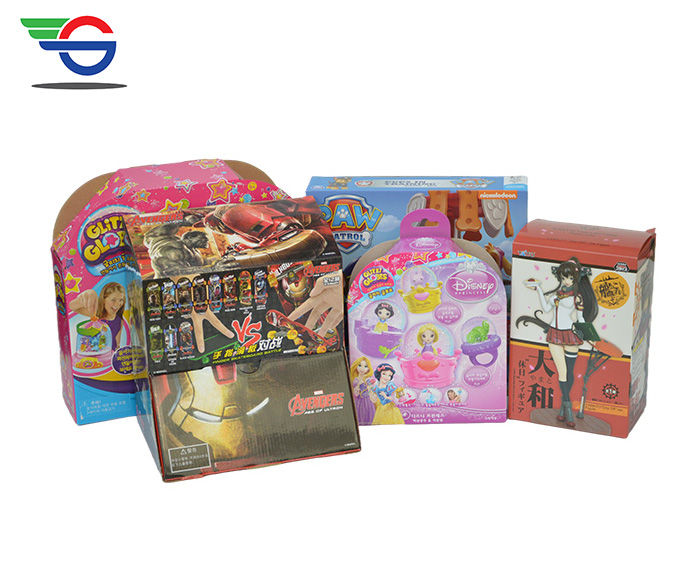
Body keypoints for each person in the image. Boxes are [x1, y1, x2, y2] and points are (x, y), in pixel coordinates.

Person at [516, 257, 598, 428]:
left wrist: (588, 334)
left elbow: (581, 318)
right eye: (564, 278)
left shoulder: (577, 298)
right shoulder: (556, 296)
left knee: (570, 373)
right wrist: (539, 289)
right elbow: (546, 309)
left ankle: (562, 409)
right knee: (562, 372)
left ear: (575, 279)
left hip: (570, 335)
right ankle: (568, 410)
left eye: (570, 278)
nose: (566, 281)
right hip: (554, 334)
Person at [70, 282, 128, 350]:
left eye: (121, 300)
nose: (118, 304)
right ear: (103, 300)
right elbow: (72, 307)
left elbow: (117, 344)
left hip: (111, 354)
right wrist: (84, 298)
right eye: (113, 300)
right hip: (97, 353)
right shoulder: (96, 315)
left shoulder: (120, 320)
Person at [350, 356, 376, 424]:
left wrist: (370, 387)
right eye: (360, 365)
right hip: (360, 402)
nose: (362, 369)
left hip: (368, 402)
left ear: (368, 368)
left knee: (370, 418)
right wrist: (358, 385)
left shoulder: (369, 379)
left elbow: (371, 392)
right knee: (360, 418)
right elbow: (356, 394)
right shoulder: (356, 380)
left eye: (365, 366)